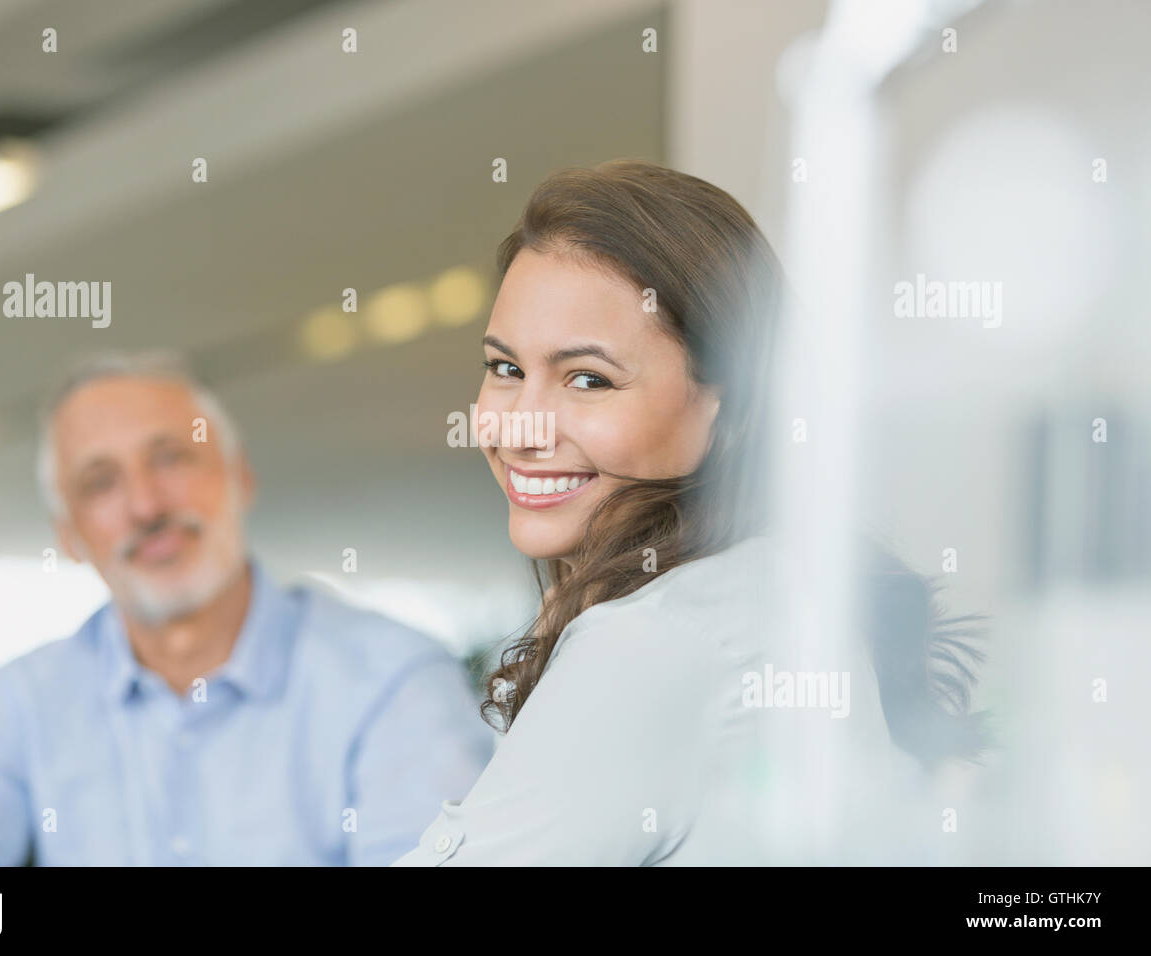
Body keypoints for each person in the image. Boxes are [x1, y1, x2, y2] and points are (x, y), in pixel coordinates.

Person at [394, 160, 990, 866]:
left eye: (588, 379)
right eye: (506, 369)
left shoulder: (651, 643)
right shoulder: (768, 596)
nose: (521, 427)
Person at [0, 352, 494, 865]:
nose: (146, 506)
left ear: (239, 475)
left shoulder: (394, 683)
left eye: (171, 458)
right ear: (69, 536)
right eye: (101, 483)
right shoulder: (23, 704)